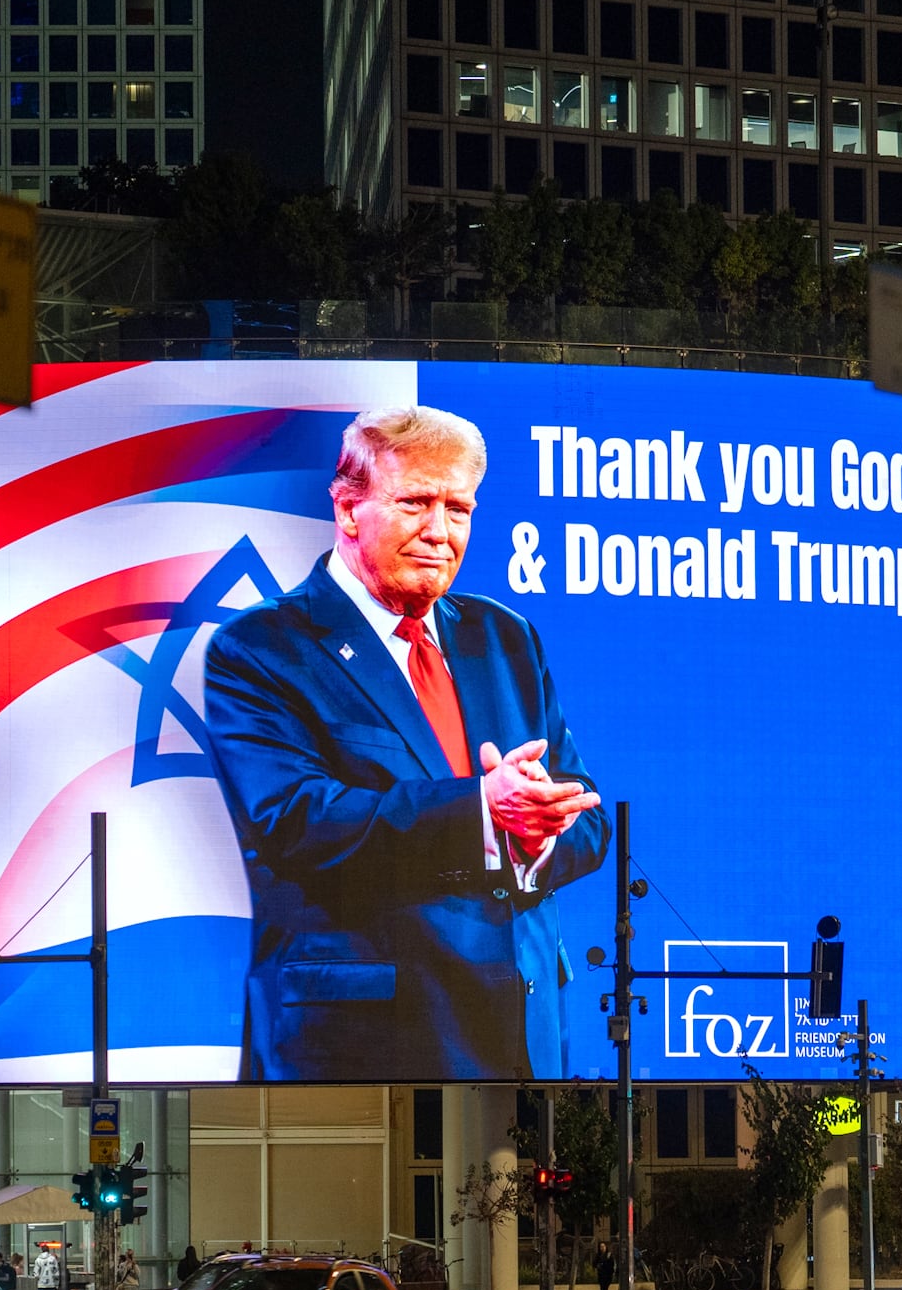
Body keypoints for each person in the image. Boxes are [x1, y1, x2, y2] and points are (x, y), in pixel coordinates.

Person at [202, 405, 610, 1081]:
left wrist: (537, 836)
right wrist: (482, 812)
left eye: (459, 508)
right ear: (347, 508)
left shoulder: (504, 638)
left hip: (521, 1035)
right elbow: (299, 821)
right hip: (363, 1045)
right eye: (417, 503)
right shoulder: (261, 650)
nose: (440, 532)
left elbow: (585, 818)